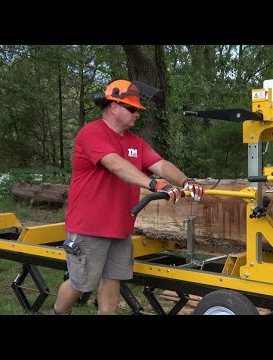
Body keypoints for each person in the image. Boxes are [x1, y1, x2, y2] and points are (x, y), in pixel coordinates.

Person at [51, 79, 204, 315]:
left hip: (120, 227)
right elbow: (115, 164)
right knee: (81, 283)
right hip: (89, 227)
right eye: (132, 109)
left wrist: (186, 181)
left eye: (138, 110)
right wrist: (155, 184)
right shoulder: (91, 133)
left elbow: (160, 164)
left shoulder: (135, 142)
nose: (137, 115)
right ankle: (59, 312)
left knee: (113, 279)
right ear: (113, 107)